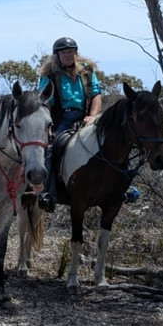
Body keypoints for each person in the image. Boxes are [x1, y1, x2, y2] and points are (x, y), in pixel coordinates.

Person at [36, 36, 104, 212]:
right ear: (57, 55)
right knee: (50, 148)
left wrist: (92, 116)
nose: (67, 55)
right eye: (63, 52)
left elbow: (96, 95)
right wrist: (49, 126)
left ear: (76, 53)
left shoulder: (88, 71)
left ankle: (123, 189)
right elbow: (45, 102)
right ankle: (47, 192)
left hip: (87, 116)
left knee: (113, 138)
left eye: (70, 51)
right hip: (62, 118)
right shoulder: (49, 75)